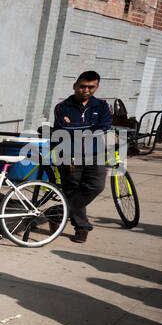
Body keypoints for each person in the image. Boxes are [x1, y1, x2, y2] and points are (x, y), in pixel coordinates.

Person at [52, 71, 113, 243]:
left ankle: (57, 212)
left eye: (90, 87)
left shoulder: (102, 106)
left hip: (96, 153)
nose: (86, 90)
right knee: (72, 189)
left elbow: (105, 126)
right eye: (82, 86)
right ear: (75, 86)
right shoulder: (62, 107)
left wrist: (79, 129)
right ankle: (82, 227)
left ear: (96, 87)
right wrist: (90, 128)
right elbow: (65, 128)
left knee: (95, 186)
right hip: (69, 154)